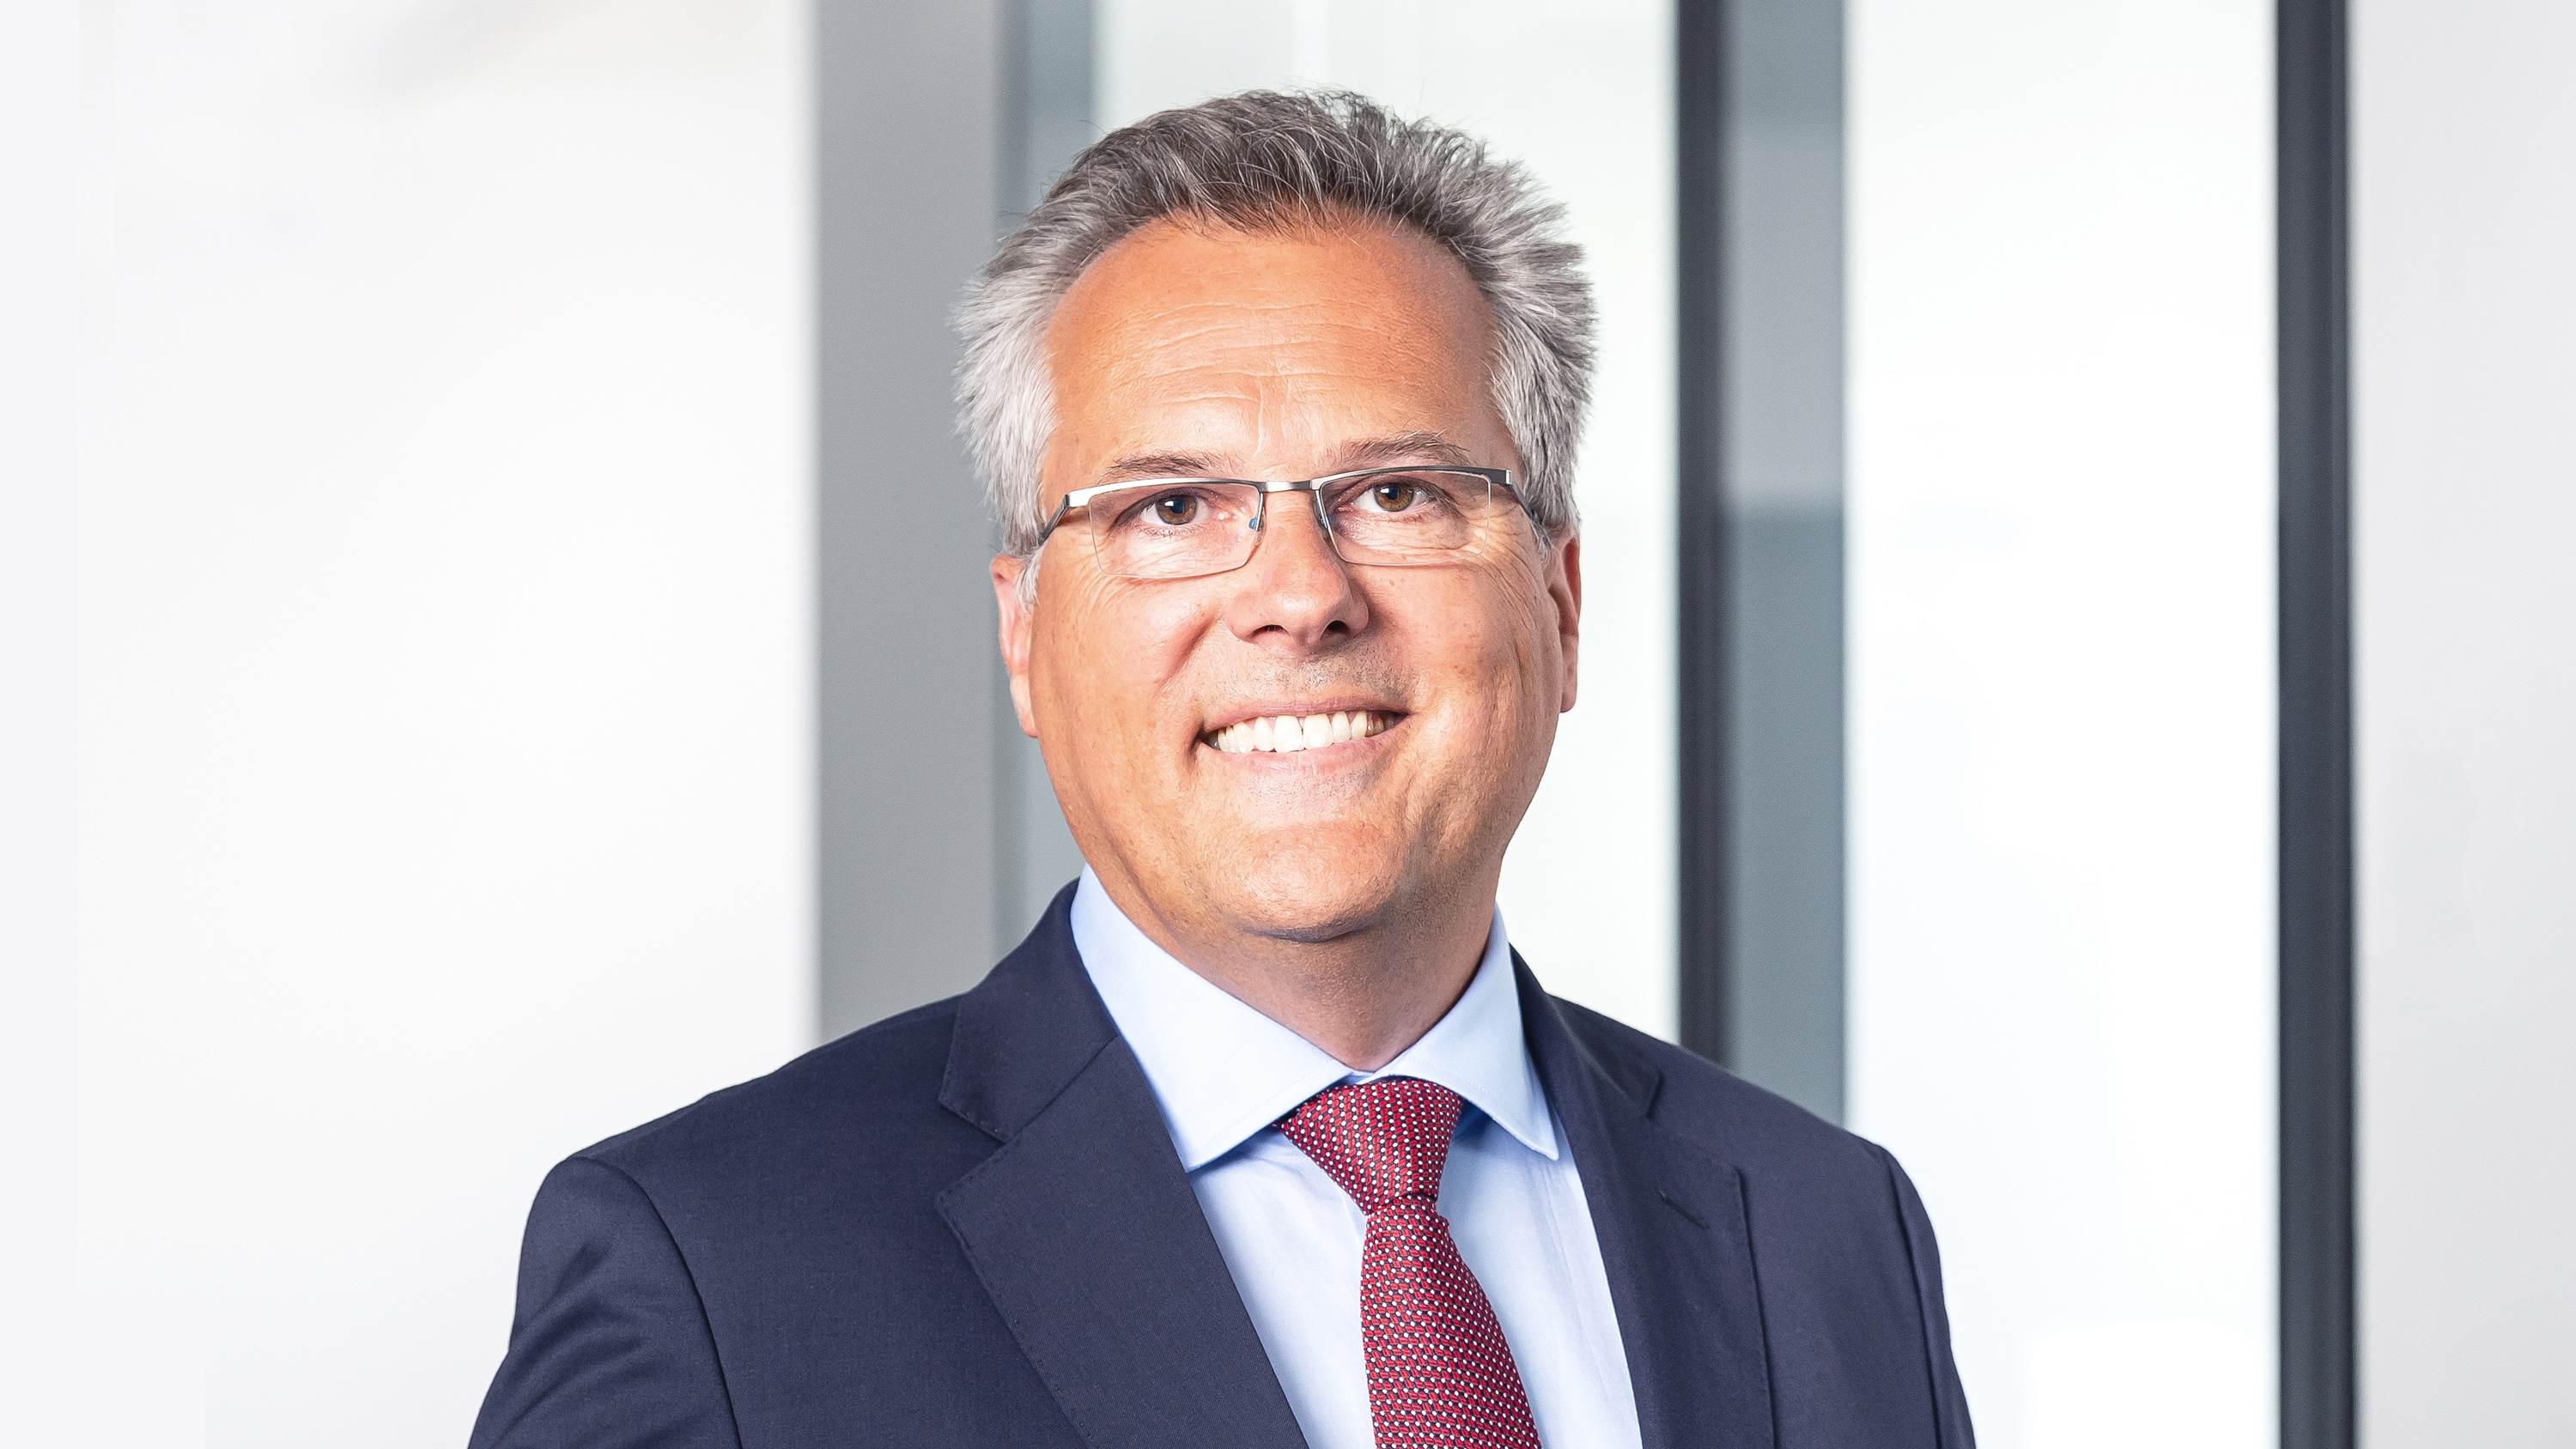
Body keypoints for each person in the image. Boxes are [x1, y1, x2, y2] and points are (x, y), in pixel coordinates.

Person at [469, 90, 1972, 1449]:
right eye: (1174, 509)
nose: (1300, 596)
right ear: (1023, 636)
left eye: (1400, 492)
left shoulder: (1828, 1230)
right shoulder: (715, 1272)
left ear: (1562, 608)